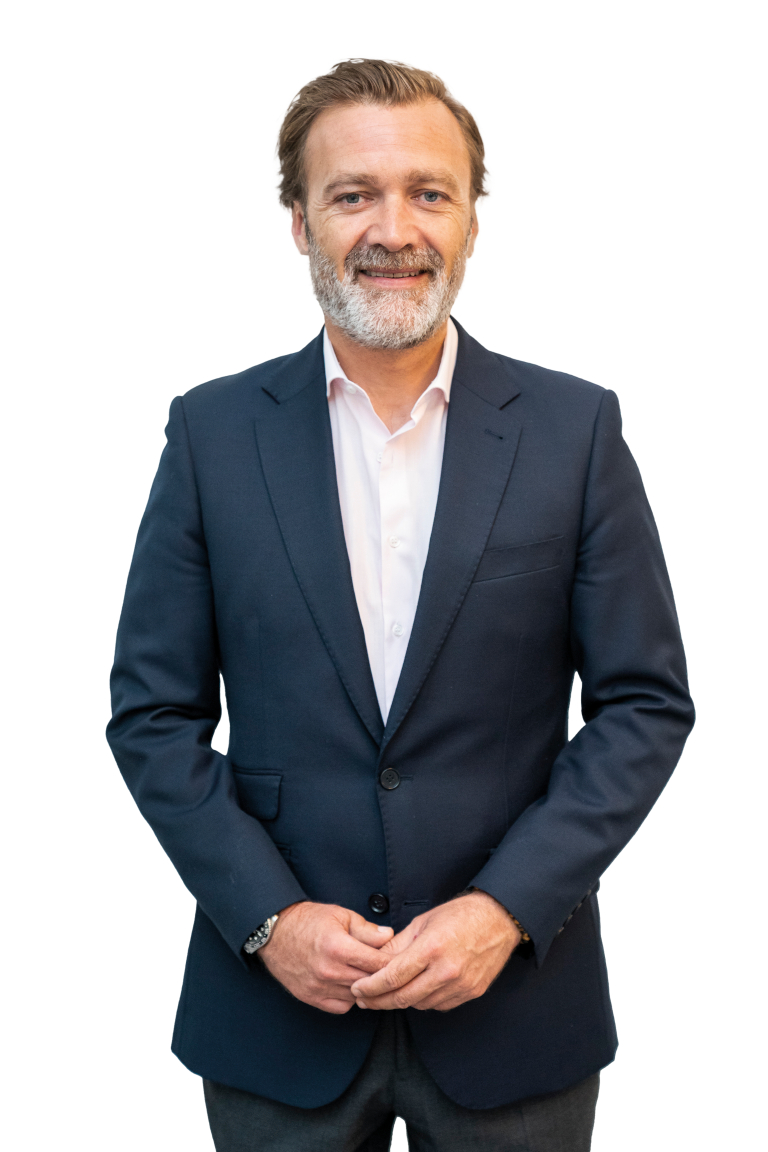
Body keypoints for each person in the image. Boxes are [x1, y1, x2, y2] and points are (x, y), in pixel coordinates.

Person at [107, 59, 694, 1152]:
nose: (395, 229)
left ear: (471, 220)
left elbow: (644, 706)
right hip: (275, 1020)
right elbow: (152, 715)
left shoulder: (575, 434)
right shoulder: (211, 436)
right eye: (353, 194)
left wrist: (506, 910)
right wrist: (269, 919)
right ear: (299, 222)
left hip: (517, 1014)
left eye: (429, 192)